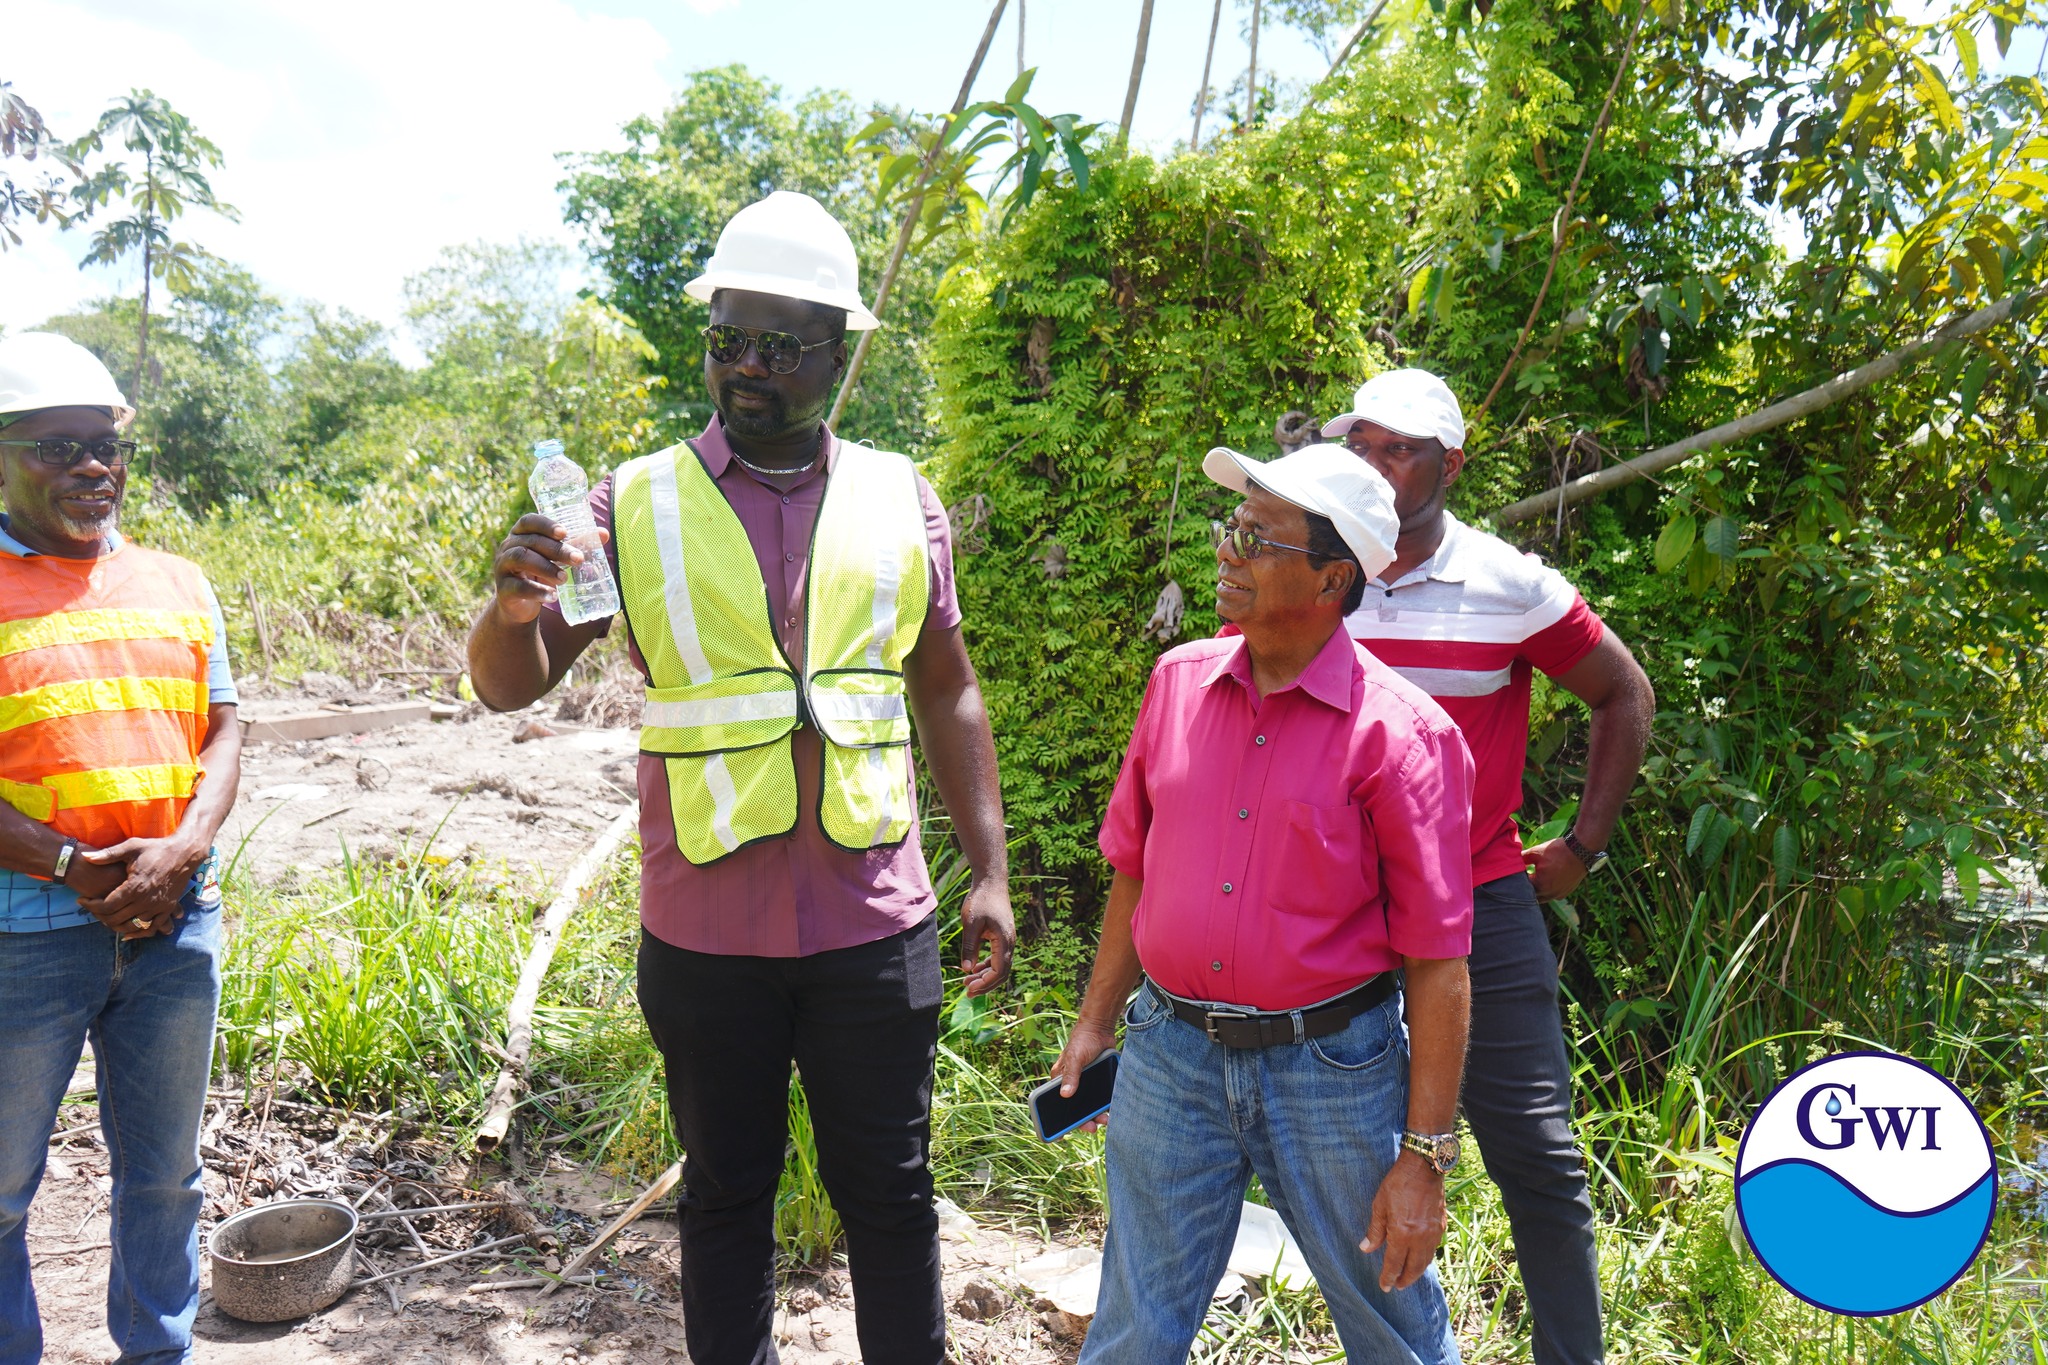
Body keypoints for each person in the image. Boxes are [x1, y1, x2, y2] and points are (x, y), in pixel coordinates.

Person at [466, 190, 1014, 1365]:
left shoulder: (898, 496)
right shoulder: (629, 505)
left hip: (876, 922)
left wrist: (989, 871)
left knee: (892, 1192)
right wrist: (510, 608)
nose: (746, 367)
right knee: (723, 1195)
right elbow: (512, 684)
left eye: (779, 345)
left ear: (839, 353)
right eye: (727, 340)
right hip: (706, 927)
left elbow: (946, 687)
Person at [1052, 443, 1476, 1365]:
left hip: (1333, 1071)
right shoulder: (1176, 687)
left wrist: (1424, 1158)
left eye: (1257, 537)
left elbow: (1438, 961)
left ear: (1331, 579)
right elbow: (1134, 867)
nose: (1228, 551)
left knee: (1394, 1334)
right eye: (1229, 528)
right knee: (1130, 1326)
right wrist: (1094, 1025)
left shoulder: (1404, 739)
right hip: (1171, 1056)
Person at [1322, 369, 1655, 1365]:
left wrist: (1582, 845)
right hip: (1337, 914)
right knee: (1341, 1163)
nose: (1375, 470)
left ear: (1449, 465)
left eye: (1400, 451)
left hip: (1476, 905)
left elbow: (1622, 693)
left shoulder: (1507, 583)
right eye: (1362, 447)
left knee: (1538, 1160)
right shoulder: (1315, 572)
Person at [0, 332, 243, 1365]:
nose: (92, 468)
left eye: (105, 446)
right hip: (25, 931)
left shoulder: (179, 582)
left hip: (174, 921)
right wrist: (67, 866)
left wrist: (181, 850)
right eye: (58, 448)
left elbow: (227, 728)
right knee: (3, 1189)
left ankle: (159, 1352)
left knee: (164, 1177)